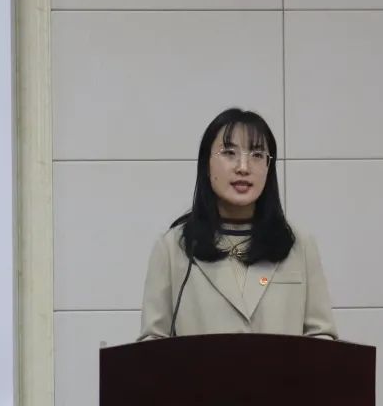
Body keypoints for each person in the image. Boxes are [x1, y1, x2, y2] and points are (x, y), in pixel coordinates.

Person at [138, 107, 337, 341]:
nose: (243, 167)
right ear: (206, 164)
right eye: (229, 152)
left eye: (257, 155)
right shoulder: (173, 248)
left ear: (268, 167)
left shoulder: (299, 245)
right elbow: (152, 344)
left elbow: (322, 337)